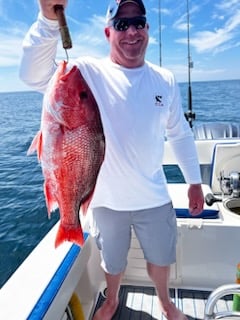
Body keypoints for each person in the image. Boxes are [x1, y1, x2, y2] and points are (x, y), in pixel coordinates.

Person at [19, 0, 204, 319]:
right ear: (108, 33)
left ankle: (164, 301)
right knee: (112, 261)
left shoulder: (165, 80)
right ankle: (112, 299)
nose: (131, 31)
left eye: (138, 23)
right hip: (102, 198)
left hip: (154, 196)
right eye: (121, 25)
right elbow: (32, 75)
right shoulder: (87, 73)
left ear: (147, 29)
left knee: (161, 258)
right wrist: (49, 21)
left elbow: (181, 135)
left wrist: (194, 183)